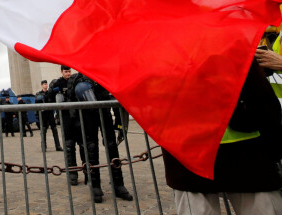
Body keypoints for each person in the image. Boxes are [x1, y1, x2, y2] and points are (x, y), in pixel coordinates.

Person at [162, 58, 282, 214]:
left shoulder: (158, 53)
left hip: (189, 153)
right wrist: (275, 149)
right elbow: (265, 102)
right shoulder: (230, 43)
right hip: (245, 153)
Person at [67, 73, 133, 203]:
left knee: (112, 146)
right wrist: (75, 128)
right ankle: (95, 186)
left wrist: (120, 124)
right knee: (91, 148)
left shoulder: (103, 74)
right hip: (87, 117)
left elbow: (115, 96)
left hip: (104, 113)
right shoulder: (77, 79)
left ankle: (118, 184)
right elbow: (71, 106)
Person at [49, 65, 80, 185]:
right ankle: (73, 173)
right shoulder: (58, 83)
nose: (68, 73)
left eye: (69, 71)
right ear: (61, 72)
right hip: (66, 117)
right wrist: (52, 89)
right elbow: (50, 98)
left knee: (83, 145)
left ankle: (87, 171)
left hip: (77, 116)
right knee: (69, 146)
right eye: (66, 71)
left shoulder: (75, 80)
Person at [35, 80, 63, 151]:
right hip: (43, 114)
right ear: (42, 85)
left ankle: (58, 146)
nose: (46, 85)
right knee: (43, 131)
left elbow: (54, 100)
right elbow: (37, 104)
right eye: (44, 84)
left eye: (46, 84)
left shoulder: (50, 93)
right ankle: (43, 147)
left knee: (54, 129)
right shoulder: (38, 94)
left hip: (50, 113)